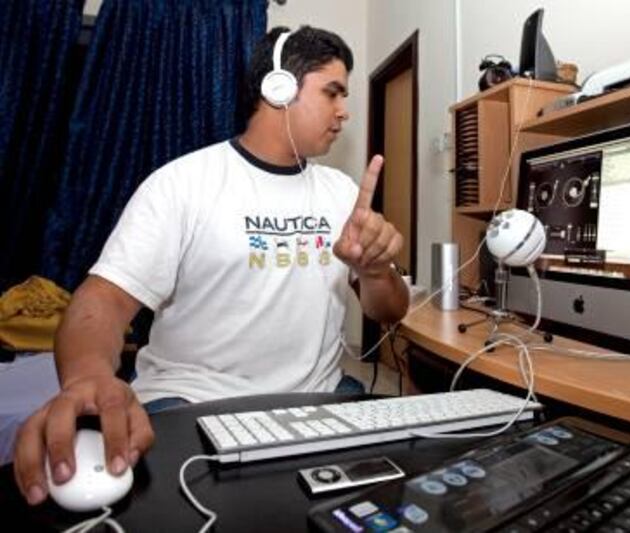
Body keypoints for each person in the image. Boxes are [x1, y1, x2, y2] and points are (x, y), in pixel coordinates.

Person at [14, 25, 409, 506]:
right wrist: (87, 377)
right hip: (191, 401)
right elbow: (104, 298)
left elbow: (389, 313)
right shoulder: (182, 183)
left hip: (318, 397)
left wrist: (374, 271)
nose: (345, 112)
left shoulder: (343, 194)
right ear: (278, 86)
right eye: (333, 93)